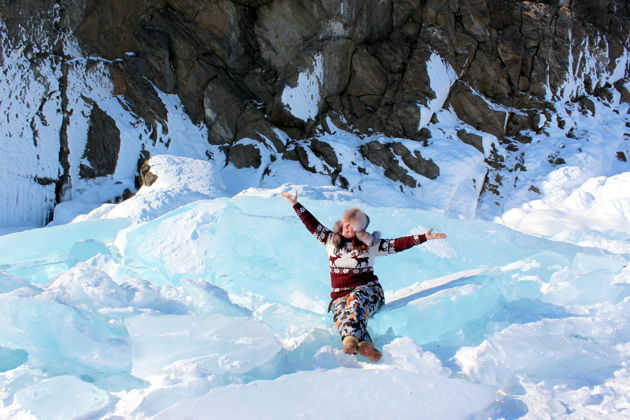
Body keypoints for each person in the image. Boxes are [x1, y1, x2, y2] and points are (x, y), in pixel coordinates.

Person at [280, 190, 447, 361]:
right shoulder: (330, 240)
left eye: (352, 225)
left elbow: (397, 244)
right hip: (340, 295)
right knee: (339, 314)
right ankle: (365, 345)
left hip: (369, 292)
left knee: (356, 302)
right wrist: (295, 203)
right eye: (346, 223)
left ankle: (351, 340)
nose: (347, 227)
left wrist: (424, 237)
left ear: (360, 230)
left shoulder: (371, 246)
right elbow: (311, 224)